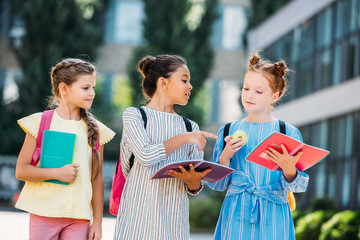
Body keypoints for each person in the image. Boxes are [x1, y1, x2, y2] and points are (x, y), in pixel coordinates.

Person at [113, 54, 216, 240]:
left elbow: (194, 186)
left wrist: (193, 181)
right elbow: (145, 156)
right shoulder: (135, 116)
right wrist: (184, 138)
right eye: (184, 80)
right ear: (163, 82)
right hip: (137, 221)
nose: (190, 86)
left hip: (174, 223)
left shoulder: (190, 127)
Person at [208, 52, 309, 240]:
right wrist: (225, 157)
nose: (249, 95)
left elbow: (299, 185)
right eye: (246, 89)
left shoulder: (287, 132)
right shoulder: (228, 130)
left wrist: (288, 169)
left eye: (259, 91)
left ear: (274, 96)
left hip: (275, 213)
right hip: (236, 211)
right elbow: (218, 184)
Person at [15, 58, 115, 240]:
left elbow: (97, 178)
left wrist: (98, 222)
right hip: (43, 212)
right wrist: (56, 173)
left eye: (93, 87)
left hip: (80, 218)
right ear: (64, 89)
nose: (92, 93)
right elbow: (21, 171)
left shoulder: (97, 130)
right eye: (85, 88)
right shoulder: (39, 123)